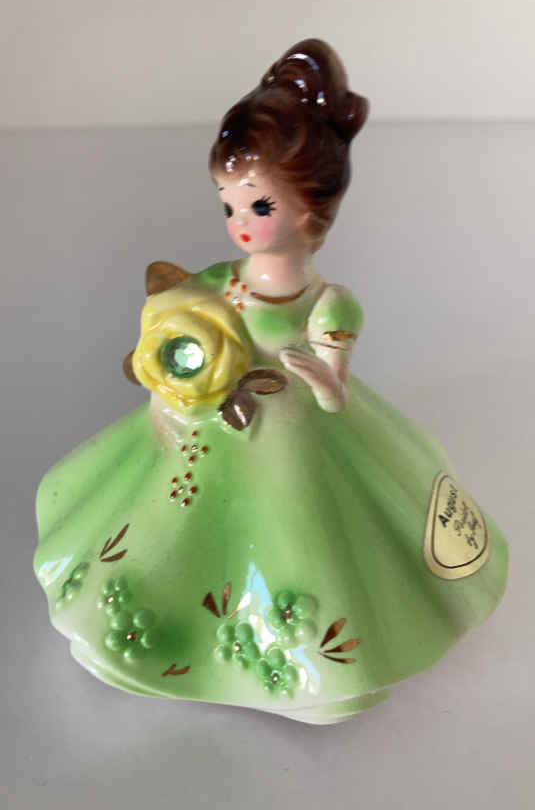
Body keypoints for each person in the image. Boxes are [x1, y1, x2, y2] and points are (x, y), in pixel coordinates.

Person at [34, 38, 508, 724]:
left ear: (311, 211)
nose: (240, 224)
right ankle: (151, 637)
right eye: (229, 205)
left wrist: (318, 375)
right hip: (203, 429)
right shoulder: (219, 281)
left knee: (306, 539)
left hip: (292, 440)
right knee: (168, 529)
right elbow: (174, 327)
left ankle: (316, 667)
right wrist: (168, 375)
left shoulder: (327, 305)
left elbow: (334, 394)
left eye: (258, 207)